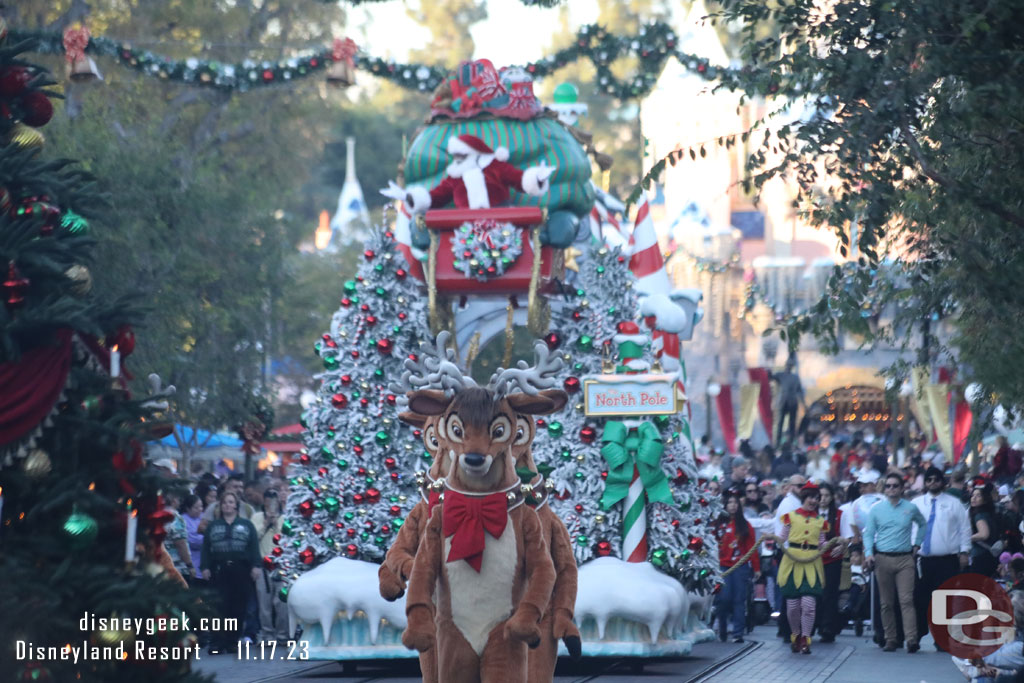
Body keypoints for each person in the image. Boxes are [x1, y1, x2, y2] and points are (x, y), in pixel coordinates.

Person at [381, 133, 555, 212]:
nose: (457, 158)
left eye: (461, 154)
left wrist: (537, 178)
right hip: (464, 227)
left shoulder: (494, 167)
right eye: (455, 155)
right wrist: (409, 197)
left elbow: (519, 180)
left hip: (502, 221)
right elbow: (435, 197)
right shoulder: (455, 177)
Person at [863, 473, 927, 653]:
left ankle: (911, 639)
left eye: (895, 486)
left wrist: (917, 544)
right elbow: (868, 533)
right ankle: (890, 639)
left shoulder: (910, 507)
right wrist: (869, 554)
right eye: (889, 486)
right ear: (885, 489)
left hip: (905, 558)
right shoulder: (876, 509)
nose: (892, 489)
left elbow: (923, 524)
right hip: (882, 558)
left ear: (901, 488)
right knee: (886, 603)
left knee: (906, 600)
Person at [912, 466, 971, 651]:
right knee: (920, 598)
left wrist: (964, 552)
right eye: (929, 480)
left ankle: (941, 638)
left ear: (942, 482)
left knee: (943, 600)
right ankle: (917, 634)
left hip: (947, 559)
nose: (932, 483)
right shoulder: (917, 503)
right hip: (923, 559)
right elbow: (909, 527)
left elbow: (964, 529)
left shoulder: (954, 504)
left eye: (936, 480)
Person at [201, 491, 261, 654]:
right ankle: (217, 641)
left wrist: (256, 565)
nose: (228, 505)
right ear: (220, 506)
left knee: (238, 606)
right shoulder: (213, 526)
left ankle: (232, 641)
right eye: (224, 502)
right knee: (219, 606)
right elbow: (206, 548)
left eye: (231, 502)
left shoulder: (247, 525)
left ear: (236, 505)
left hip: (241, 569)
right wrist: (204, 567)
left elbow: (254, 546)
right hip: (219, 569)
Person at [777, 482, 828, 654]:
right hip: (792, 562)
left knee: (808, 605)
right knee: (792, 606)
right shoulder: (790, 516)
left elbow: (821, 542)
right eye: (811, 497)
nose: (814, 501)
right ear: (804, 498)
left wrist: (835, 545)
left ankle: (806, 638)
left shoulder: (821, 521)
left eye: (816, 498)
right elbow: (781, 538)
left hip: (812, 564)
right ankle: (795, 635)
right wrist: (769, 538)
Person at [716, 491, 761, 643]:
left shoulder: (745, 525)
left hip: (740, 567)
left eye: (735, 503)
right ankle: (722, 628)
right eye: (729, 503)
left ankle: (738, 633)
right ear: (725, 505)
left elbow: (751, 548)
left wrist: (756, 568)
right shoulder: (717, 524)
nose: (733, 506)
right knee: (724, 599)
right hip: (722, 567)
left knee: (739, 600)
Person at [250, 489, 288, 644]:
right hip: (263, 564)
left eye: (274, 498)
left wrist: (276, 525)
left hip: (280, 564)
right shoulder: (257, 517)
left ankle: (282, 634)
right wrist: (266, 524)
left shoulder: (285, 518)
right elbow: (253, 538)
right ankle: (267, 634)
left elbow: (286, 540)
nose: (271, 502)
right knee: (264, 603)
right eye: (268, 498)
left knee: (281, 602)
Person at [818, 483, 847, 643]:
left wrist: (842, 546)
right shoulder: (811, 514)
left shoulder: (839, 514)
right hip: (813, 559)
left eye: (826, 496)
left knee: (830, 593)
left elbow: (847, 536)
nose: (823, 499)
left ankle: (827, 627)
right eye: (820, 496)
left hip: (832, 559)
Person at [773, 356, 806, 445]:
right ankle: (777, 442)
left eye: (790, 365)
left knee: (792, 423)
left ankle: (791, 442)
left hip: (792, 402)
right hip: (783, 401)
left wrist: (804, 404)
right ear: (785, 365)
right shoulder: (781, 375)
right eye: (788, 364)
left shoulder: (795, 378)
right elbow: (771, 376)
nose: (788, 366)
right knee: (780, 422)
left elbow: (799, 391)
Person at [970, 482, 1001, 577]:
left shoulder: (979, 515)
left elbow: (984, 534)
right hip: (991, 555)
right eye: (973, 495)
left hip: (980, 556)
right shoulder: (990, 513)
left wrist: (966, 537)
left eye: (978, 496)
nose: (974, 498)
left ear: (985, 500)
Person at [850, 469, 883, 541]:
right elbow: (853, 524)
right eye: (860, 487)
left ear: (874, 485)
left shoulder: (883, 500)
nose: (862, 489)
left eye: (865, 486)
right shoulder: (856, 502)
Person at [180, 494, 204, 586]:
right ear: (187, 508)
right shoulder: (183, 520)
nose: (200, 509)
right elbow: (192, 541)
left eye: (201, 506)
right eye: (196, 507)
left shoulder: (203, 517)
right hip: (192, 563)